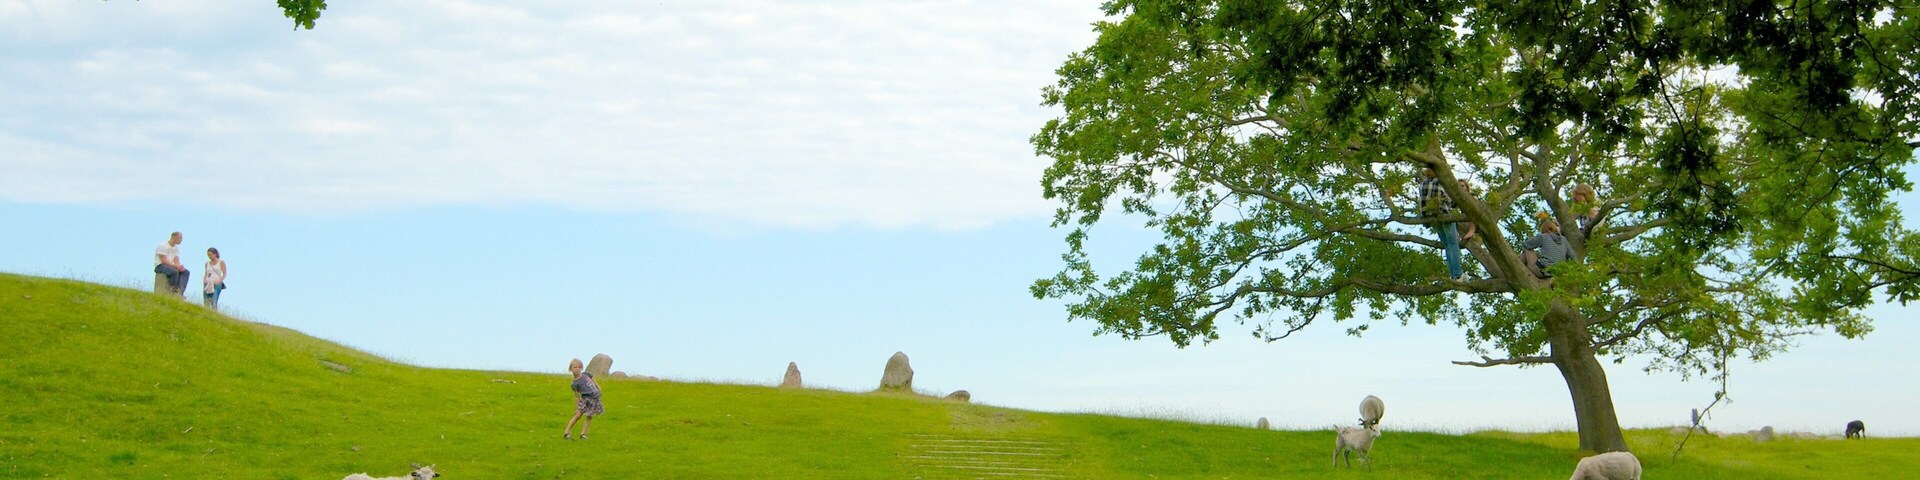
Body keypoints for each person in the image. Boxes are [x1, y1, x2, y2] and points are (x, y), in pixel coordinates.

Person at [1417, 168, 1464, 280]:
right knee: (1453, 244)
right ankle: (1457, 274)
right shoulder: (1441, 183)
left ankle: (1453, 274)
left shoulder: (1422, 184)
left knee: (1447, 245)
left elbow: (1422, 203)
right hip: (1444, 215)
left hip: (1432, 217)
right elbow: (1449, 202)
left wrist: (1426, 218)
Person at [1521, 212, 1575, 278]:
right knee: (1537, 254)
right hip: (1558, 272)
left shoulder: (1544, 236)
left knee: (1527, 251)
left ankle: (1517, 270)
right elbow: (1573, 256)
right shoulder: (1564, 239)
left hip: (1544, 270)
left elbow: (1526, 244)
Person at [563, 358, 603, 440]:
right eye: (575, 367)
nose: (577, 369)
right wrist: (577, 407)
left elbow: (593, 380)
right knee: (578, 415)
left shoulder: (586, 374)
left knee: (589, 416)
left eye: (579, 367)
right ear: (570, 369)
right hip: (586, 399)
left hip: (594, 398)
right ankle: (567, 432)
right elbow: (577, 396)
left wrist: (598, 387)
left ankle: (583, 434)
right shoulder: (575, 383)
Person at [154, 232, 190, 296]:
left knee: (185, 272)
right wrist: (175, 266)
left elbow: (176, 261)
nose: (181, 240)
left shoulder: (176, 248)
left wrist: (179, 267)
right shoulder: (163, 246)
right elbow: (163, 261)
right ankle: (173, 290)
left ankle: (179, 292)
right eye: (180, 238)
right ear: (174, 237)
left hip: (171, 266)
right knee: (174, 272)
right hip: (161, 266)